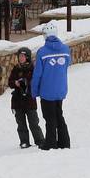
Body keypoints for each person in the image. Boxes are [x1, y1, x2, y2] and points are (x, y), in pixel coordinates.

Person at [32, 22, 71, 150]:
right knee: (59, 115)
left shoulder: (42, 52)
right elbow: (67, 64)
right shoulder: (65, 49)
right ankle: (64, 142)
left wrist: (34, 91)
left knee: (49, 118)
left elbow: (37, 74)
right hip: (60, 89)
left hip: (47, 91)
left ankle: (50, 143)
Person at [8, 46, 44, 149]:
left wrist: (26, 82)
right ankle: (24, 141)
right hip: (17, 101)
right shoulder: (16, 68)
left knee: (33, 122)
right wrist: (15, 83)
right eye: (19, 56)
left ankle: (40, 140)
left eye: (23, 56)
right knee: (21, 124)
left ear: (27, 57)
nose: (21, 58)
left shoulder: (33, 69)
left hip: (29, 100)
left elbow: (36, 82)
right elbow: (10, 82)